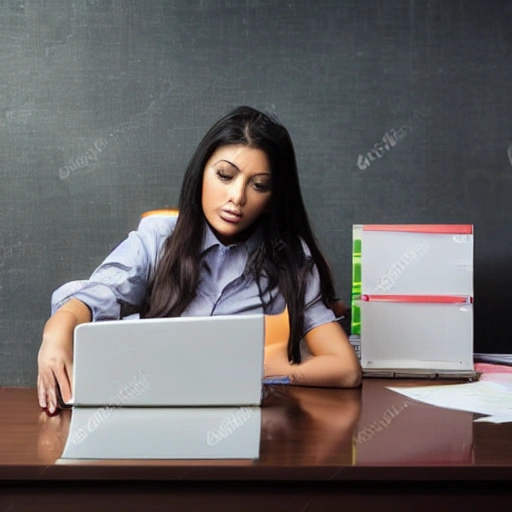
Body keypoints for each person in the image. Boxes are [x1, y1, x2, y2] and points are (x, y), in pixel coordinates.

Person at [37, 106, 362, 414]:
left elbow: (345, 369)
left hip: (246, 428)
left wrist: (264, 369)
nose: (237, 197)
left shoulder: (291, 260)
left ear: (272, 199)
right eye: (225, 175)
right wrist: (56, 333)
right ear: (201, 174)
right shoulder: (159, 238)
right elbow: (97, 296)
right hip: (152, 418)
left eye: (259, 185)